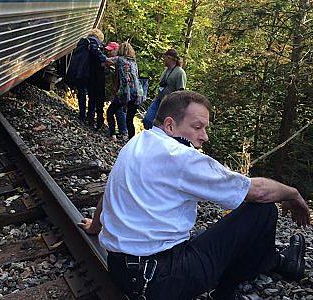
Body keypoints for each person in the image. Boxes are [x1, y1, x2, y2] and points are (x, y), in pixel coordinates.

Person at [79, 91, 310, 300]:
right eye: (198, 127)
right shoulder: (180, 156)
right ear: (170, 125)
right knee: (263, 210)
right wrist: (293, 193)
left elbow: (112, 188)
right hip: (161, 280)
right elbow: (256, 191)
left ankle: (275, 261)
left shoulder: (138, 141)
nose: (205, 137)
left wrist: (95, 227)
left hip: (122, 270)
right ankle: (232, 287)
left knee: (207, 234)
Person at [106, 42, 143, 139]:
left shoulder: (119, 59)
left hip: (125, 92)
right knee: (129, 119)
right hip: (138, 93)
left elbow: (106, 61)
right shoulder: (134, 62)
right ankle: (131, 141)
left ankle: (112, 134)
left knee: (110, 112)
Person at [143, 49, 187, 129]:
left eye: (165, 57)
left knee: (161, 126)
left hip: (169, 104)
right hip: (159, 100)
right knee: (147, 120)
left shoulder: (180, 73)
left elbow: (181, 92)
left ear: (170, 58)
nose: (164, 59)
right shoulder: (165, 70)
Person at [104, 42, 128, 139]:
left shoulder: (119, 59)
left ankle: (115, 133)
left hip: (122, 92)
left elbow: (106, 61)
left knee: (112, 111)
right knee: (118, 110)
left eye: (110, 50)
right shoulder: (129, 60)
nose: (108, 52)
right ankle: (123, 132)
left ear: (116, 50)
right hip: (126, 92)